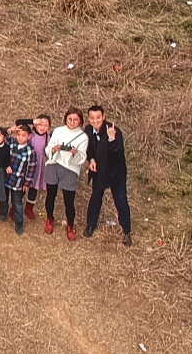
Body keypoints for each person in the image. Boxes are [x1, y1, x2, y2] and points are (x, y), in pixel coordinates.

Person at [82, 105, 132, 247]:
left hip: (116, 173)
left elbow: (117, 152)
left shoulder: (114, 131)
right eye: (92, 118)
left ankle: (127, 231)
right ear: (89, 118)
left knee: (121, 201)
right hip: (99, 172)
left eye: (98, 117)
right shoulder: (88, 130)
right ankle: (91, 225)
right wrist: (91, 160)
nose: (95, 120)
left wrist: (111, 140)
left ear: (103, 117)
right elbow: (89, 149)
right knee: (95, 198)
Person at [44, 109, 89, 239]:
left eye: (75, 120)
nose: (72, 122)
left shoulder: (83, 137)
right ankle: (49, 218)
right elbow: (49, 148)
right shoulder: (58, 131)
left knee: (69, 201)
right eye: (70, 119)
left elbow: (82, 156)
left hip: (69, 169)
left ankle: (70, 225)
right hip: (54, 165)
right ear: (65, 119)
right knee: (50, 196)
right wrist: (54, 149)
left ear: (80, 121)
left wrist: (75, 153)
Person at [6, 123, 35, 234]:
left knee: (17, 202)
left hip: (18, 182)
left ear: (29, 137)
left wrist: (27, 183)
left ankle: (19, 224)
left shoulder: (30, 151)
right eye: (18, 134)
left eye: (23, 135)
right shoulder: (12, 142)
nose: (20, 137)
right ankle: (3, 214)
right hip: (6, 178)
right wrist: (10, 130)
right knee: (4, 198)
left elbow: (31, 167)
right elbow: (2, 135)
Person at [24, 113, 52, 225]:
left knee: (33, 188)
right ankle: (14, 209)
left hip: (40, 166)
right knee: (23, 186)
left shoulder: (48, 138)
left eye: (45, 125)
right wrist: (31, 120)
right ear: (35, 124)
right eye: (40, 124)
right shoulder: (30, 134)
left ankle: (29, 208)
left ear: (49, 127)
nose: (42, 127)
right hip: (28, 164)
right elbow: (19, 123)